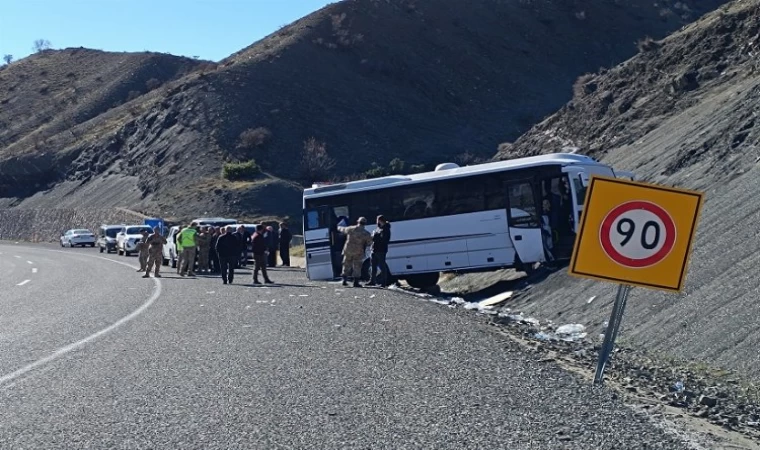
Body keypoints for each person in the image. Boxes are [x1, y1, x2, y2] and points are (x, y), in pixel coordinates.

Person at [337, 217, 373, 287]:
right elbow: (370, 242)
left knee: (346, 264)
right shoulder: (366, 233)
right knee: (357, 266)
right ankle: (355, 282)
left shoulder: (351, 229)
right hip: (358, 252)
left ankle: (344, 280)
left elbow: (343, 230)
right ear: (365, 224)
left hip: (348, 250)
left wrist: (338, 227)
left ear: (357, 221)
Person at [368, 215, 391, 287]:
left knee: (382, 266)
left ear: (381, 220)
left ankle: (384, 282)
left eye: (378, 220)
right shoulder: (378, 228)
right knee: (373, 266)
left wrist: (375, 238)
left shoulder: (386, 229)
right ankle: (372, 281)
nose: (377, 222)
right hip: (374, 249)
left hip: (381, 250)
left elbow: (384, 240)